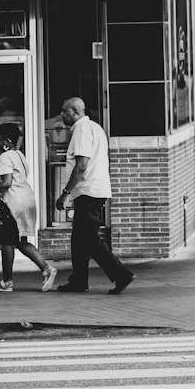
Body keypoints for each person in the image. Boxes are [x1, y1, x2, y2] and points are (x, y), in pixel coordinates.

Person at [55, 96, 134, 295]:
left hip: (88, 191)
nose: (62, 114)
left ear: (75, 112)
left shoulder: (82, 130)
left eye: (65, 111)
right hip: (94, 190)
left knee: (88, 236)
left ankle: (120, 273)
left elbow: (81, 166)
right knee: (79, 238)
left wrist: (65, 194)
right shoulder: (95, 128)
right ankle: (79, 280)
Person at [0, 126, 58, 293]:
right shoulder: (20, 155)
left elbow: (6, 182)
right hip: (26, 200)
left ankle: (7, 282)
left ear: (7, 141)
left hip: (13, 203)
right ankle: (46, 269)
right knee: (19, 240)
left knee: (6, 241)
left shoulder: (5, 156)